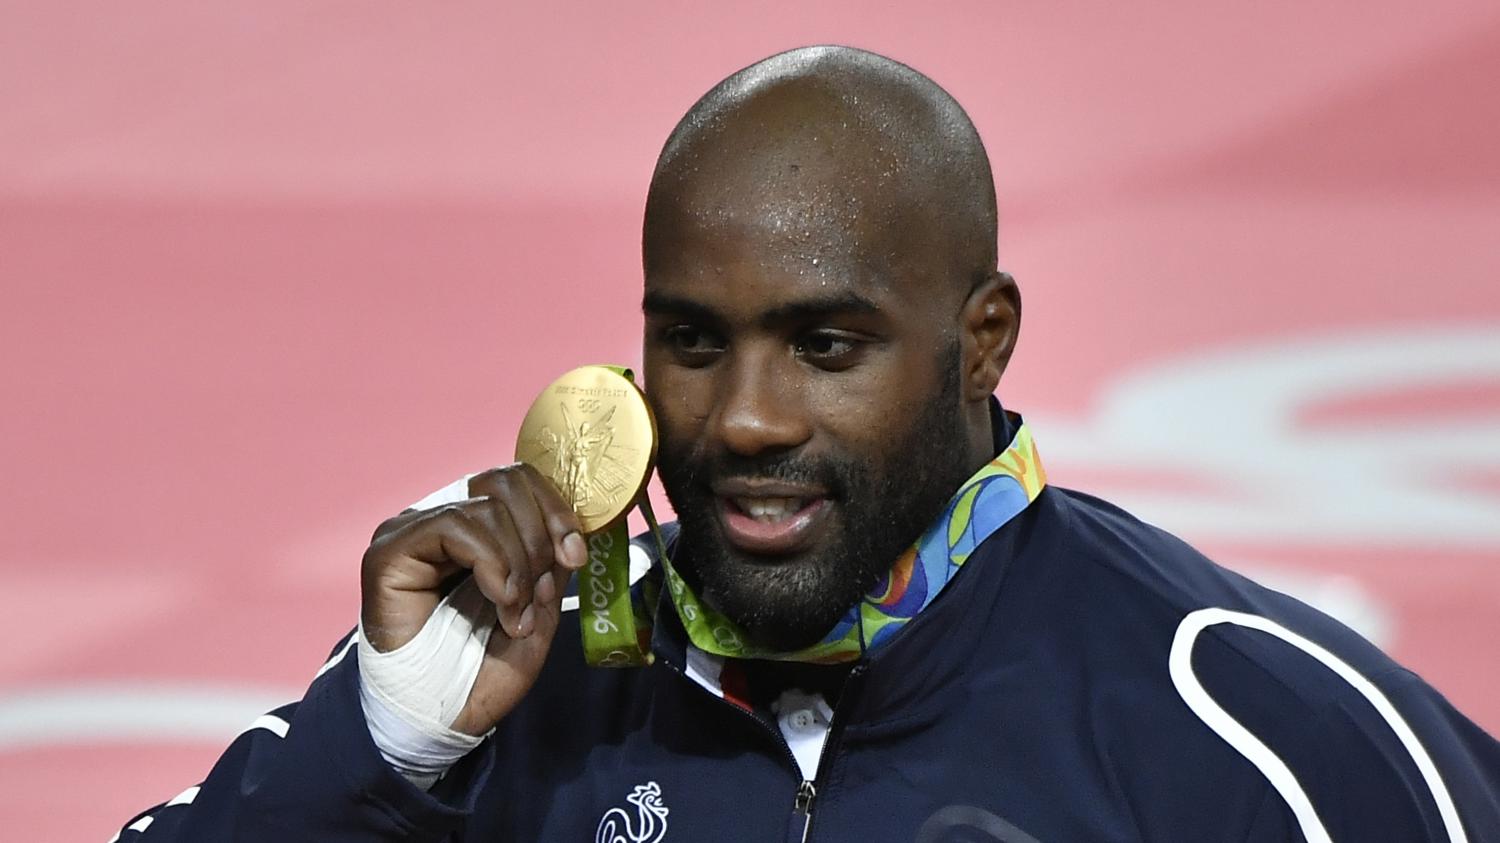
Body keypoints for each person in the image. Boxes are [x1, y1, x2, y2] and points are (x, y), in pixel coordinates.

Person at [113, 46, 1500, 843]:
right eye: (696, 343)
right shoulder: (508, 699)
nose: (746, 421)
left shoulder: (1244, 729)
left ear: (983, 340)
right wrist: (379, 747)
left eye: (826, 347)